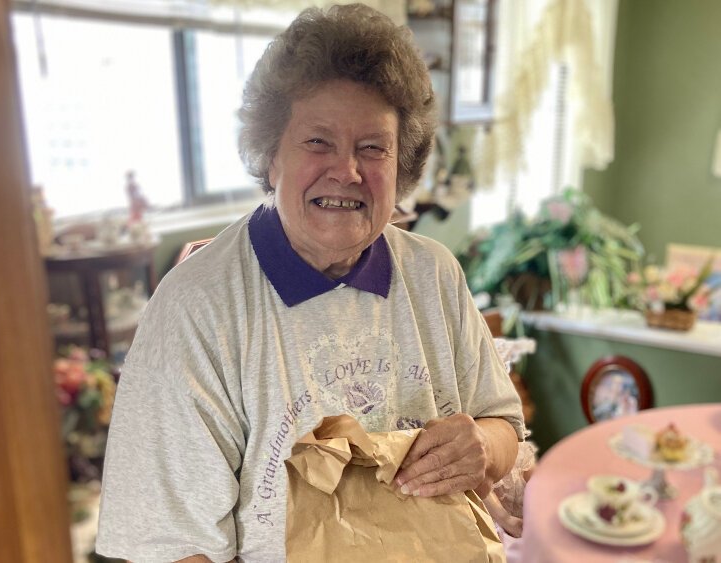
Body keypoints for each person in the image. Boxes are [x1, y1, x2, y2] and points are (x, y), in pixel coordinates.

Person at [96, 4, 525, 562]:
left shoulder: (433, 272)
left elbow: (503, 425)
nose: (347, 171)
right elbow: (175, 547)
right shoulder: (195, 308)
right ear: (271, 155)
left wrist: (481, 449)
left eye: (374, 147)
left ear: (402, 166)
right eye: (318, 141)